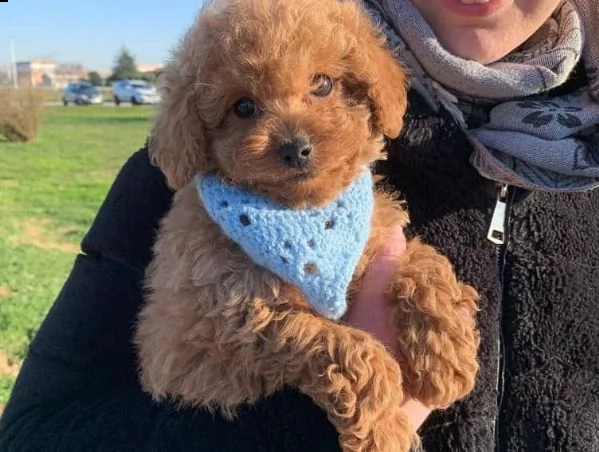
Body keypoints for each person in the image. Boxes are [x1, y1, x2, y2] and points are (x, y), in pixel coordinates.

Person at [1, 0, 597, 450]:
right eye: (243, 108)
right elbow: (36, 432)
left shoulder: (365, 166)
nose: (294, 139)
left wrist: (424, 289)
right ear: (200, 130)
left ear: (376, 89)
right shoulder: (187, 194)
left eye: (322, 88)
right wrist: (315, 415)